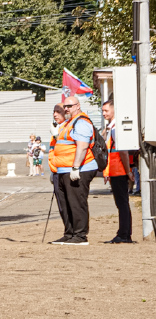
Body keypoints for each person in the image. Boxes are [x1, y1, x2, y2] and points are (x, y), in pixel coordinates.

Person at [48, 95, 98, 245]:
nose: (67, 109)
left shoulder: (81, 122)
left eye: (69, 106)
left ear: (77, 106)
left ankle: (80, 235)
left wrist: (76, 167)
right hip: (64, 169)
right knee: (67, 203)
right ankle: (69, 233)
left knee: (76, 202)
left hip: (79, 168)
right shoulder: (69, 123)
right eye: (65, 107)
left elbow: (82, 146)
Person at [101, 99, 135, 244]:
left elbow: (123, 152)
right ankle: (124, 233)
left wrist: (128, 171)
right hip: (115, 170)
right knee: (121, 203)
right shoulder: (111, 127)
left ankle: (124, 234)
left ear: (114, 111)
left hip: (119, 171)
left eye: (106, 111)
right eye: (102, 111)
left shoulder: (115, 129)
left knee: (122, 203)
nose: (104, 113)